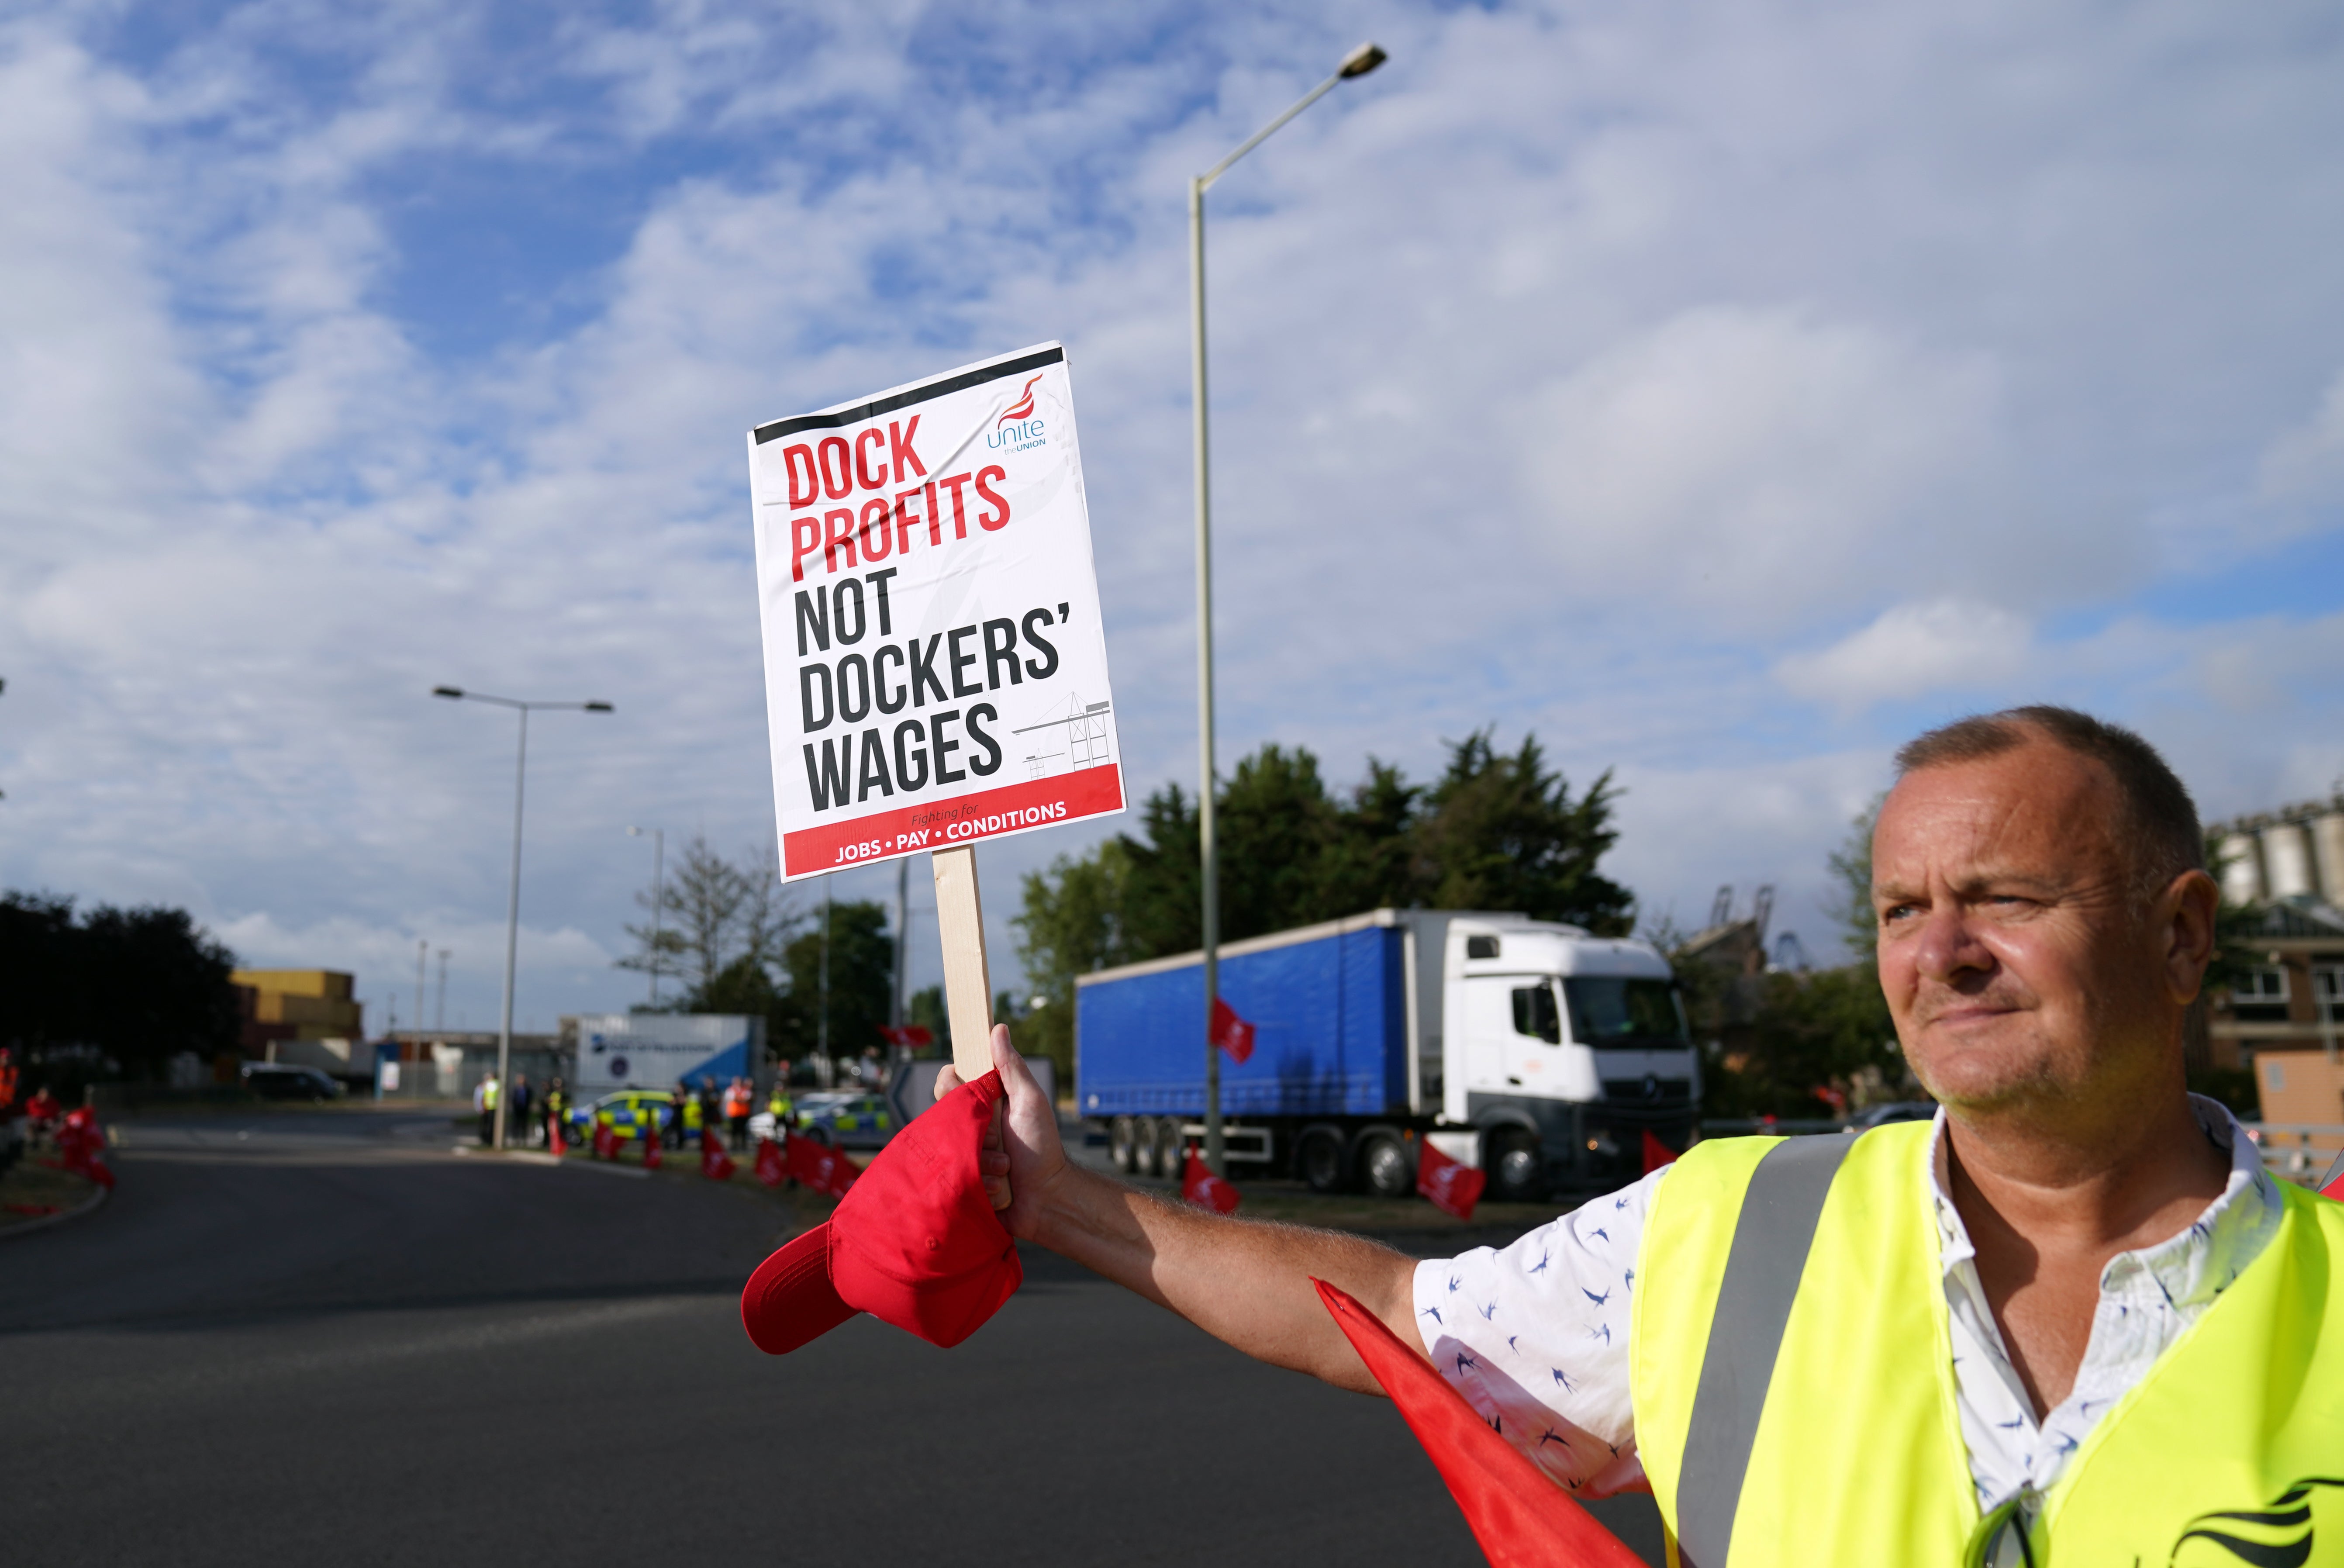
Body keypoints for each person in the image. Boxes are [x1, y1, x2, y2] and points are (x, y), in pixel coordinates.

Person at [943, 706, 2344, 1566]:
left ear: (2179, 934)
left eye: (2004, 895)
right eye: (1901, 908)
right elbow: (1380, 1304)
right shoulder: (1727, 1225)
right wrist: (1057, 1199)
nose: (1942, 950)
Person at [725, 1076, 753, 1153]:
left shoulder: (745, 1089)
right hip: (734, 1113)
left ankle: (743, 1146)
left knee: (743, 1131)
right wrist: (741, 1099)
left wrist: (739, 1098)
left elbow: (748, 1098)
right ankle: (734, 1145)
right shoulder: (731, 1089)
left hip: (743, 1114)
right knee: (734, 1131)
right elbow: (732, 1098)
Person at [473, 1071, 498, 1146]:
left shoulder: (491, 1086)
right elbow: (478, 1098)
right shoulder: (482, 1087)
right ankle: (483, 1139)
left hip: (491, 1108)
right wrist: (480, 1108)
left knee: (490, 1125)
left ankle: (488, 1140)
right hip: (484, 1109)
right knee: (483, 1126)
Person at [508, 1074, 534, 1147]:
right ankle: (515, 1139)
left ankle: (523, 1140)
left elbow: (529, 1099)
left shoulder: (528, 1089)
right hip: (517, 1110)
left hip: (524, 1110)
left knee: (524, 1125)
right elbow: (513, 1098)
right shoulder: (516, 1089)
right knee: (516, 1125)